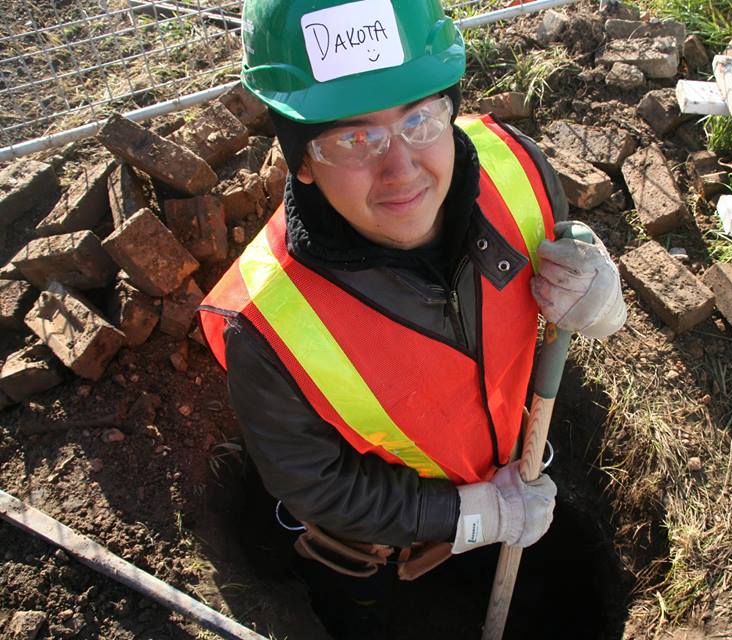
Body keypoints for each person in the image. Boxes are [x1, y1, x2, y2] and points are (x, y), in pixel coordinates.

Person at [198, 0, 626, 636]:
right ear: (303, 161)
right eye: (355, 138)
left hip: (516, 476)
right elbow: (319, 487)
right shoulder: (266, 323)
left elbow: (559, 244)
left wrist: (595, 291)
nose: (402, 170)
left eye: (420, 118)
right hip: (379, 559)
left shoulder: (518, 171)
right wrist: (476, 516)